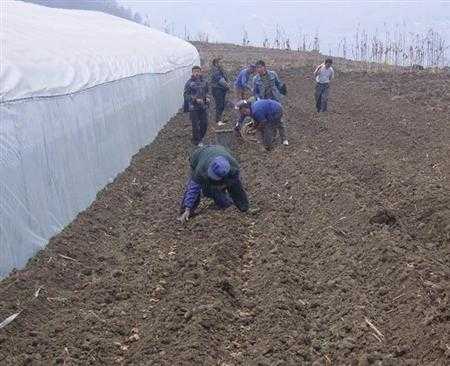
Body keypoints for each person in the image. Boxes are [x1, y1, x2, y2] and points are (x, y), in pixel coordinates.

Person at [178, 145, 249, 223]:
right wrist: (187, 208)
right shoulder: (201, 169)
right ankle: (186, 213)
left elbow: (237, 186)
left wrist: (244, 207)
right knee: (203, 188)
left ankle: (241, 206)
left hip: (221, 151)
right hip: (199, 157)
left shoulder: (233, 167)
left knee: (232, 185)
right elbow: (193, 188)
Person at [184, 65, 210, 146]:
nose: (197, 73)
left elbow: (207, 91)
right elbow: (186, 95)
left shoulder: (204, 82)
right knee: (195, 125)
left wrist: (207, 98)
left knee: (204, 124)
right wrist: (195, 100)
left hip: (203, 106)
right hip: (193, 107)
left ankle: (199, 138)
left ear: (200, 72)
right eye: (195, 72)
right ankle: (198, 141)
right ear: (192, 73)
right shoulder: (189, 83)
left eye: (198, 71)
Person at [209, 58, 230, 127]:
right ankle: (218, 120)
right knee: (219, 105)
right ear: (216, 63)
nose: (222, 64)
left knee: (222, 105)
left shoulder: (220, 70)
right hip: (217, 90)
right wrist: (227, 86)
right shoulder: (215, 70)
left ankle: (219, 119)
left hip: (221, 90)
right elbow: (220, 80)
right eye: (220, 62)